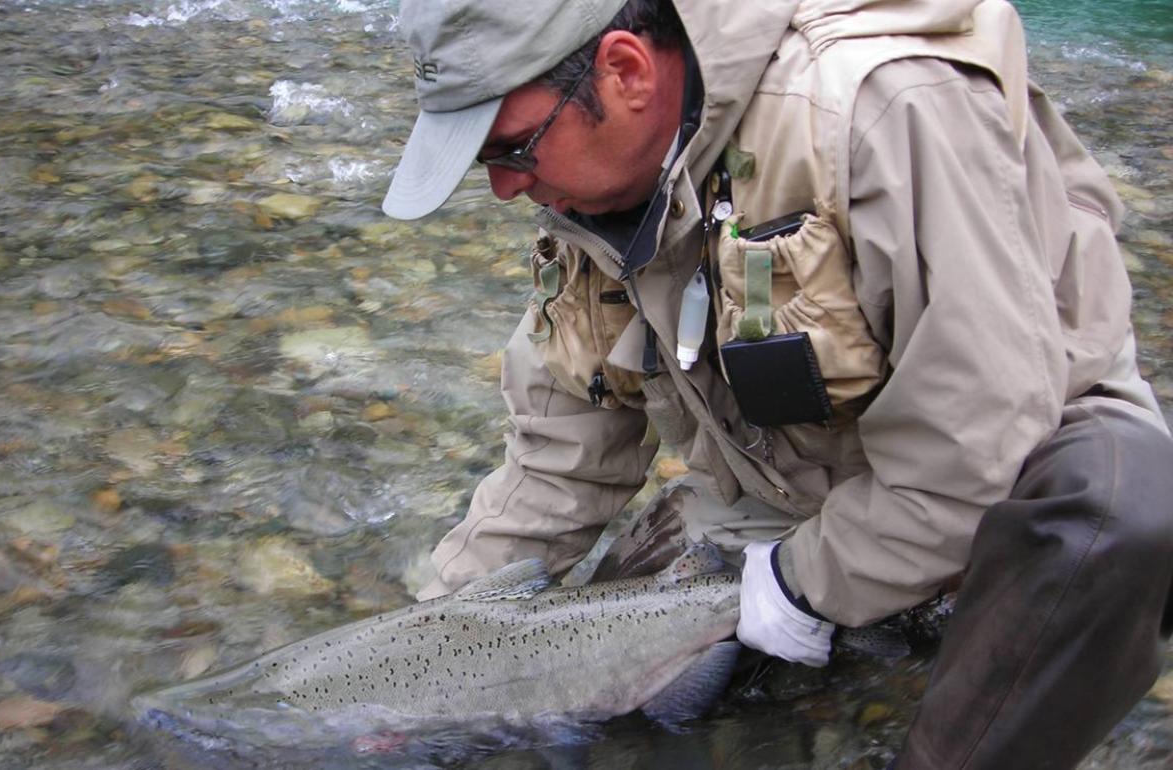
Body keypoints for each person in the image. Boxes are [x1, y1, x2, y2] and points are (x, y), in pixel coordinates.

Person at [381, 0, 1173, 766]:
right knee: (607, 723)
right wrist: (414, 652)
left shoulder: (885, 109)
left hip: (1011, 472)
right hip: (787, 503)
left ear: (626, 73)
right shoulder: (594, 195)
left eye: (510, 148)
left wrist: (801, 586)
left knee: (1119, 511)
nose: (503, 189)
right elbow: (560, 462)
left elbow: (979, 444)